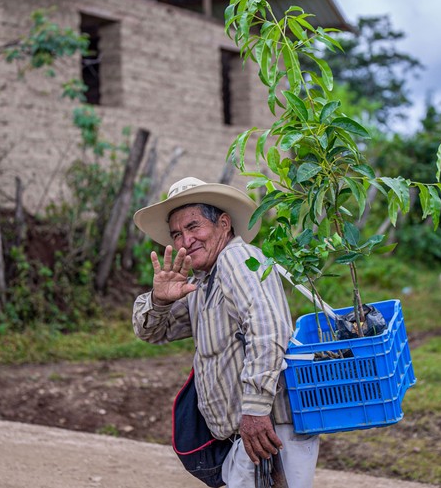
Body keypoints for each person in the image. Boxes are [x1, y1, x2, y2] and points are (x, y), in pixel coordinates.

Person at [131, 177, 319, 487]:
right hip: (251, 431)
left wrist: (256, 410)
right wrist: (159, 299)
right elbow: (152, 332)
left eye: (194, 227)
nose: (185, 241)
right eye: (177, 234)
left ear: (223, 224)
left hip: (268, 428)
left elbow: (268, 327)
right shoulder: (205, 280)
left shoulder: (236, 260)